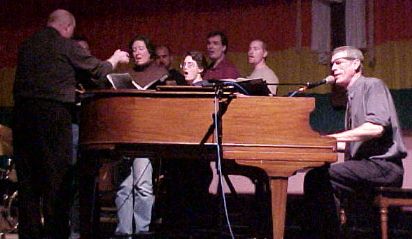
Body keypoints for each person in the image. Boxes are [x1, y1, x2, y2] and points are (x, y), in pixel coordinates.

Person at [12, 9, 129, 239]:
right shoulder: (64, 45)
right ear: (67, 27)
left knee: (28, 184)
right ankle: (56, 233)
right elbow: (96, 71)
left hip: (22, 118)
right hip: (53, 118)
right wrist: (114, 59)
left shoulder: (27, 45)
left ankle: (30, 234)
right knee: (56, 181)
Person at [303, 46, 407, 238]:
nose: (333, 68)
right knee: (316, 174)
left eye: (339, 63)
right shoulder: (351, 97)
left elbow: (376, 128)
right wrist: (311, 149)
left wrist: (332, 137)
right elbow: (351, 144)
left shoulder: (372, 85)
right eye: (331, 64)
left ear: (356, 64)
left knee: (319, 178)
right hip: (365, 166)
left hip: (383, 167)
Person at [115, 35, 167, 237]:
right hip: (125, 134)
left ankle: (142, 231)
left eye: (141, 49)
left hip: (144, 135)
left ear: (149, 51)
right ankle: (123, 231)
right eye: (134, 49)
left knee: (143, 186)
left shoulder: (159, 73)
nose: (137, 53)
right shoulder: (126, 74)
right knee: (123, 187)